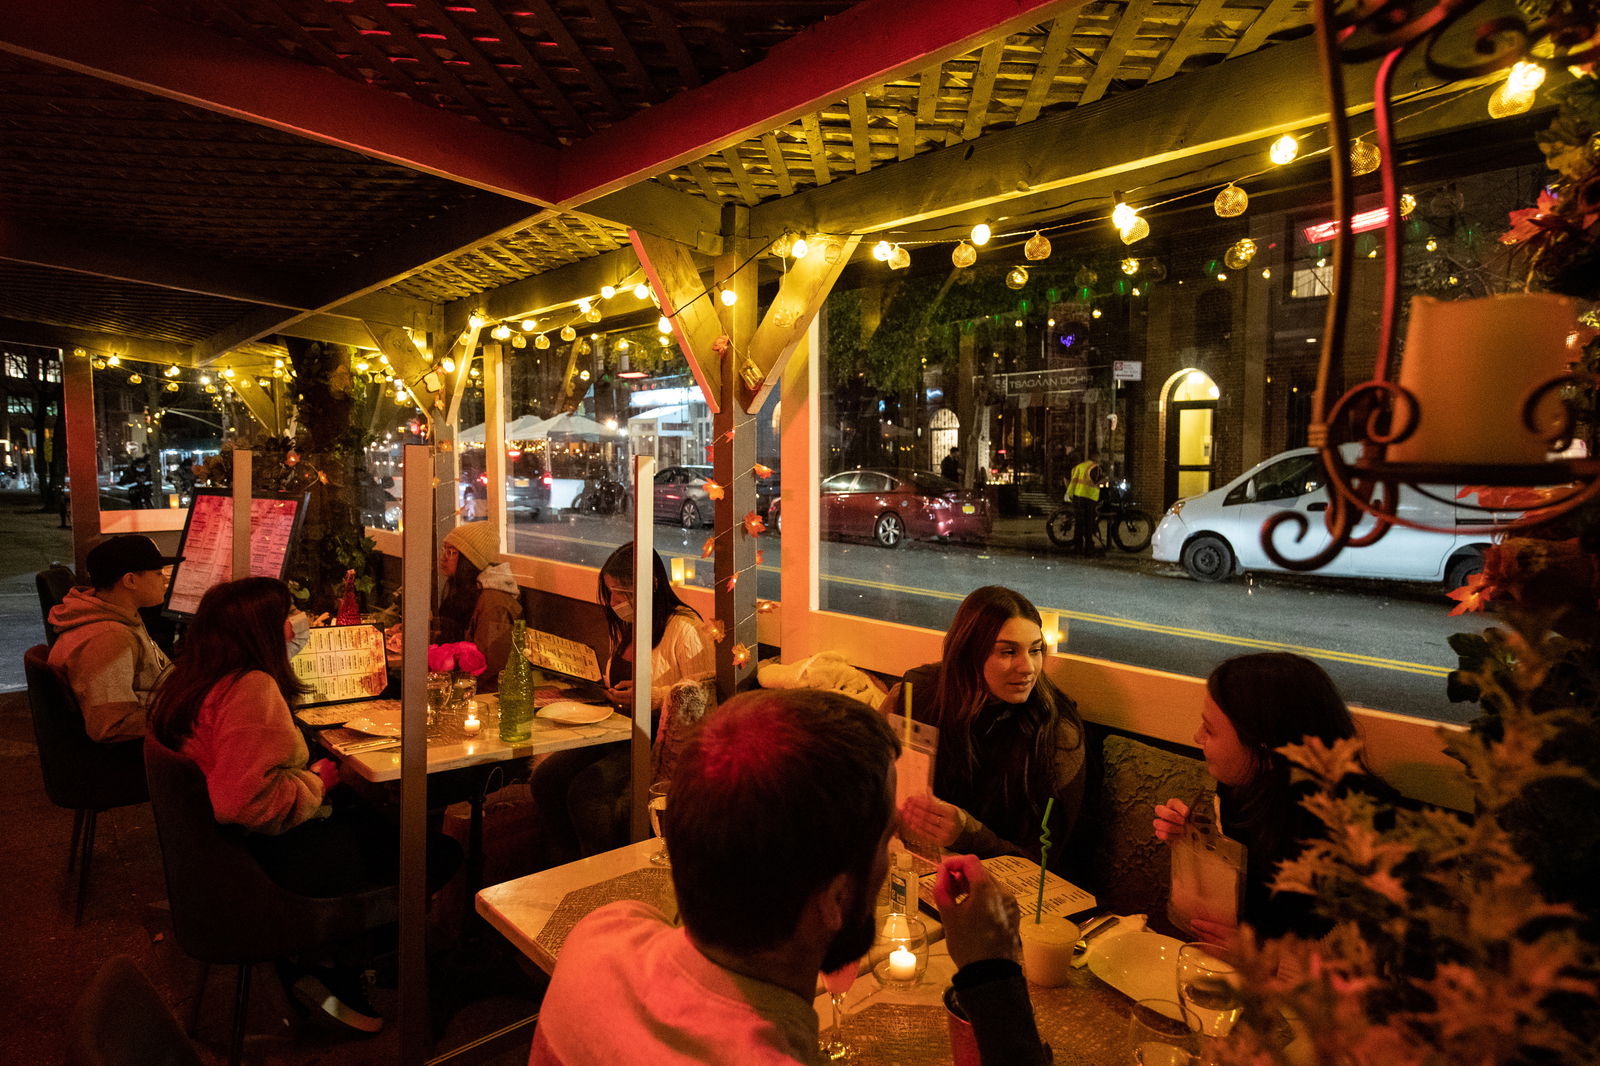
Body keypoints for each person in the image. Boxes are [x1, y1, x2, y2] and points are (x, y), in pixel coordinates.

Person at [528, 689, 1051, 1066]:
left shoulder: (600, 936)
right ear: (835, 898)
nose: (890, 858)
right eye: (886, 840)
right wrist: (993, 975)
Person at [148, 577, 459, 1035]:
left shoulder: (193, 676)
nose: (298, 623)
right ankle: (333, 964)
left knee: (374, 817)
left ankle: (348, 952)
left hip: (222, 859)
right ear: (263, 630)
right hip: (267, 861)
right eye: (289, 614)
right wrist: (316, 781)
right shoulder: (249, 689)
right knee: (437, 851)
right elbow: (244, 803)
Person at [1152, 652, 1396, 946]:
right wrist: (1193, 836)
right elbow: (1244, 896)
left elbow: (1366, 958)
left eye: (1210, 729)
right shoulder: (1239, 789)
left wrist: (1261, 957)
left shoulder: (1367, 825)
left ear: (1266, 753)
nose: (1197, 737)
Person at [528, 543, 714, 865]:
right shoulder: (631, 626)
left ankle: (598, 873)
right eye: (611, 592)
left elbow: (700, 698)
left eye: (623, 592)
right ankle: (562, 864)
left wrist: (649, 697)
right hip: (615, 729)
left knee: (589, 793)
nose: (615, 603)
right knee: (546, 778)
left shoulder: (685, 629)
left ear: (652, 584)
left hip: (651, 739)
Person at [883, 586, 1086, 878]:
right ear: (968, 652)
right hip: (918, 868)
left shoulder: (1056, 732)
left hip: (1014, 889)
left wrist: (967, 832)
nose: (1028, 667)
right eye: (1008, 651)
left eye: (1035, 650)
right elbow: (871, 780)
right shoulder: (918, 694)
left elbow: (1044, 862)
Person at [47, 534, 178, 742]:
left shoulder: (119, 615)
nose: (164, 579)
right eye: (157, 573)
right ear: (130, 580)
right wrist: (185, 717)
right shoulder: (108, 638)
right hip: (146, 751)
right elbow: (111, 724)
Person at [432, 520, 522, 686]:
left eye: (452, 552)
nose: (443, 557)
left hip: (483, 692)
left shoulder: (493, 602)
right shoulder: (465, 592)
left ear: (470, 560)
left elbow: (490, 665)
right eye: (444, 549)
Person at [1065, 447, 1103, 556]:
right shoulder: (1094, 467)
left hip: (1077, 496)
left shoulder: (1079, 467)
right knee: (1088, 523)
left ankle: (1078, 548)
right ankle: (1089, 549)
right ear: (1096, 458)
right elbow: (1098, 480)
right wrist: (1106, 479)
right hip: (1088, 498)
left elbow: (1070, 478)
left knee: (1079, 523)